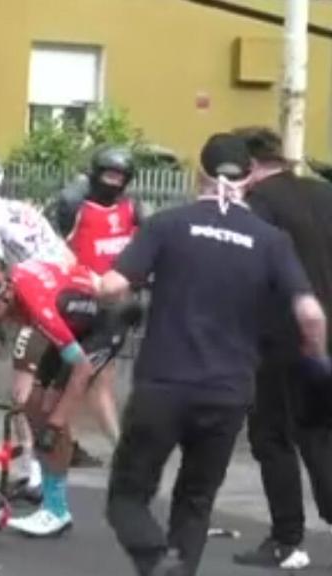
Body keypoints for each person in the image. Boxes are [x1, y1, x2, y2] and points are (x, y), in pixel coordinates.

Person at [99, 133, 329, 576]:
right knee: (196, 499)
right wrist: (315, 359)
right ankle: (179, 569)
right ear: (248, 177)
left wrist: (97, 290)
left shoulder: (169, 224)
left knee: (128, 497)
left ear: (200, 175)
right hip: (228, 392)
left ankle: (156, 557)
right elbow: (311, 313)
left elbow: (113, 286)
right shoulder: (270, 241)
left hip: (163, 385)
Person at [0, 254, 136, 538]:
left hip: (103, 327)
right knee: (35, 404)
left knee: (52, 413)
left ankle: (56, 509)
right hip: (78, 322)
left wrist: (55, 425)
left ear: (1, 296)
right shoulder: (17, 284)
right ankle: (52, 498)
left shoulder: (37, 305)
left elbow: (81, 369)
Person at [228, 127, 332, 571]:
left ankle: (288, 539)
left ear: (249, 165)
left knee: (272, 437)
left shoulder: (257, 206)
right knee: (321, 436)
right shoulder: (323, 194)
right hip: (327, 333)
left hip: (282, 340)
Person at [0, 156, 77, 503]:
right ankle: (35, 466)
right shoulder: (21, 208)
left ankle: (35, 473)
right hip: (63, 285)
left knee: (22, 394)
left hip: (43, 295)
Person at [51, 147, 142, 464]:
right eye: (108, 174)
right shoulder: (78, 207)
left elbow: (142, 250)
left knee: (98, 377)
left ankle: (110, 447)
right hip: (79, 303)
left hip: (115, 306)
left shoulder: (131, 210)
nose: (113, 182)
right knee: (81, 376)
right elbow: (59, 248)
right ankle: (75, 441)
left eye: (120, 176)